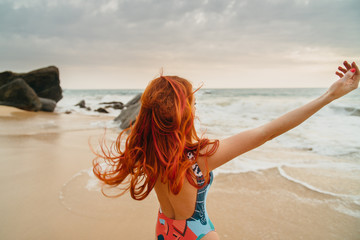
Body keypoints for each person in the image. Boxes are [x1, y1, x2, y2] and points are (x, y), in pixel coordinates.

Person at [92, 61, 359, 240]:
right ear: (183, 112)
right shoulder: (199, 158)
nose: (194, 108)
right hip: (198, 233)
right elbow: (266, 132)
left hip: (164, 229)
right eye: (192, 103)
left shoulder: (145, 150)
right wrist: (329, 96)